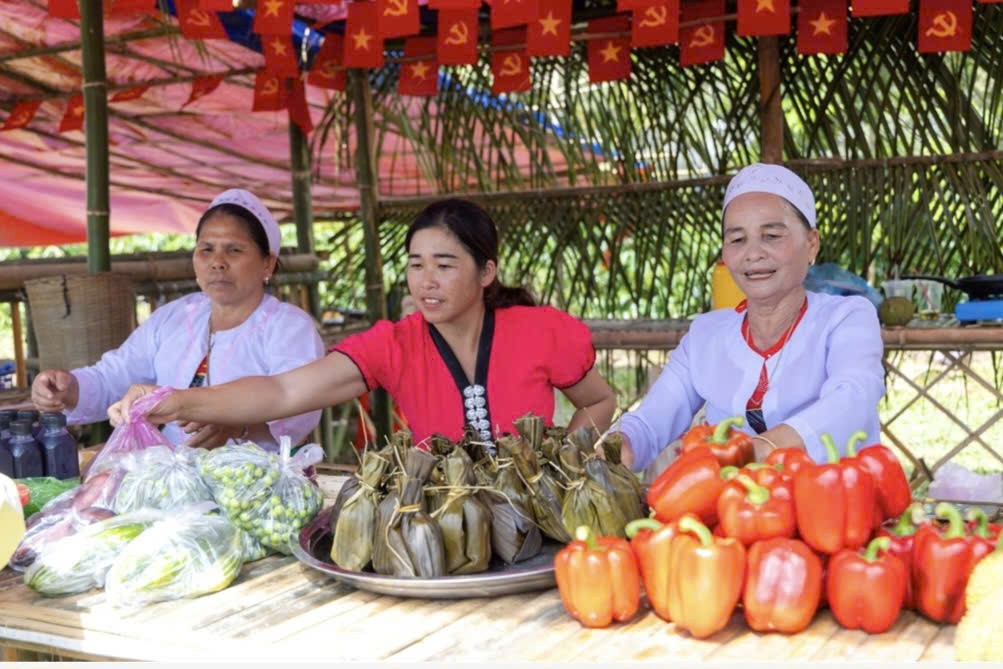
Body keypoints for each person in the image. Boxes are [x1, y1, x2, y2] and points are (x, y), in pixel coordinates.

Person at [109, 198, 617, 448]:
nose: (427, 282)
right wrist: (175, 400)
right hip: (442, 523)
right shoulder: (392, 345)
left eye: (445, 265)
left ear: (486, 272)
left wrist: (559, 461)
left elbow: (600, 400)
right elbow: (284, 392)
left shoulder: (540, 330)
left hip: (539, 519)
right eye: (416, 265)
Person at [615, 163, 885, 472]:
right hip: (738, 515)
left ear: (811, 244)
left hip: (837, 505)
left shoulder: (846, 317)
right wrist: (619, 446)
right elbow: (650, 424)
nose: (753, 253)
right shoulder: (706, 335)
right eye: (737, 239)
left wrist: (758, 451)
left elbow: (854, 398)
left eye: (771, 235)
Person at [31, 189, 325, 449]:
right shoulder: (175, 317)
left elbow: (299, 406)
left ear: (267, 263)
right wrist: (70, 388)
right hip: (175, 482)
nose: (217, 261)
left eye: (234, 250)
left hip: (256, 486)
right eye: (206, 249)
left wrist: (239, 426)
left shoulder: (288, 327)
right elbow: (116, 376)